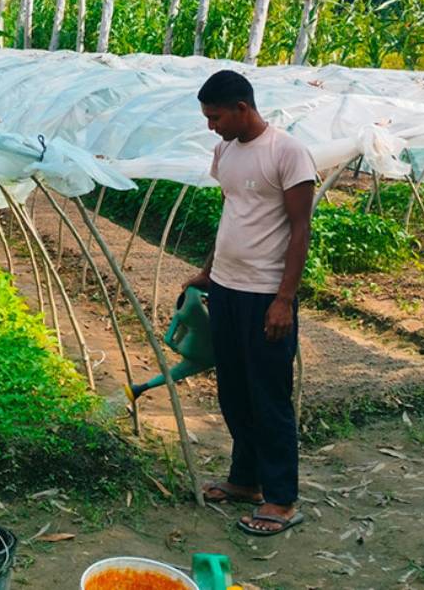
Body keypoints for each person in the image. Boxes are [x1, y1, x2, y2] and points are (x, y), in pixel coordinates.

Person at [183, 70, 315, 536]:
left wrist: (284, 298)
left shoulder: (287, 153)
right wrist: (208, 270)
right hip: (226, 288)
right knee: (235, 392)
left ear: (242, 108)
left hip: (264, 295)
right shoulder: (226, 152)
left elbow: (301, 230)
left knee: (269, 397)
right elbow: (232, 212)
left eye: (215, 117)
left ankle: (282, 499)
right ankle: (246, 480)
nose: (210, 127)